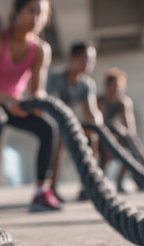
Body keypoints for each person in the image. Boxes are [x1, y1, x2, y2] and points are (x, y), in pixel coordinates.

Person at [0, 0, 59, 213]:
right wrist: (7, 101)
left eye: (41, 14)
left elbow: (36, 90)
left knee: (48, 127)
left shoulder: (41, 50)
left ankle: (41, 192)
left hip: (11, 101)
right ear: (15, 12)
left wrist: (39, 104)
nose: (36, 19)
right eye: (31, 12)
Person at [47, 42, 103, 201]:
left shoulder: (87, 84)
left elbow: (91, 111)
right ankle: (52, 187)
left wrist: (98, 125)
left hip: (70, 121)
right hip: (53, 121)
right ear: (73, 58)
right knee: (58, 138)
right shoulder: (55, 79)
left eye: (92, 59)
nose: (90, 63)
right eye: (86, 58)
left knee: (93, 137)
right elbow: (52, 108)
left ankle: (87, 186)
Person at [98, 68, 137, 193]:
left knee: (129, 150)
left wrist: (120, 131)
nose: (117, 89)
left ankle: (120, 181)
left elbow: (130, 130)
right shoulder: (100, 102)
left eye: (119, 86)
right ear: (107, 86)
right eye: (114, 86)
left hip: (117, 136)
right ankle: (98, 182)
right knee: (104, 152)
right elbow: (99, 125)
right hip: (101, 137)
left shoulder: (124, 103)